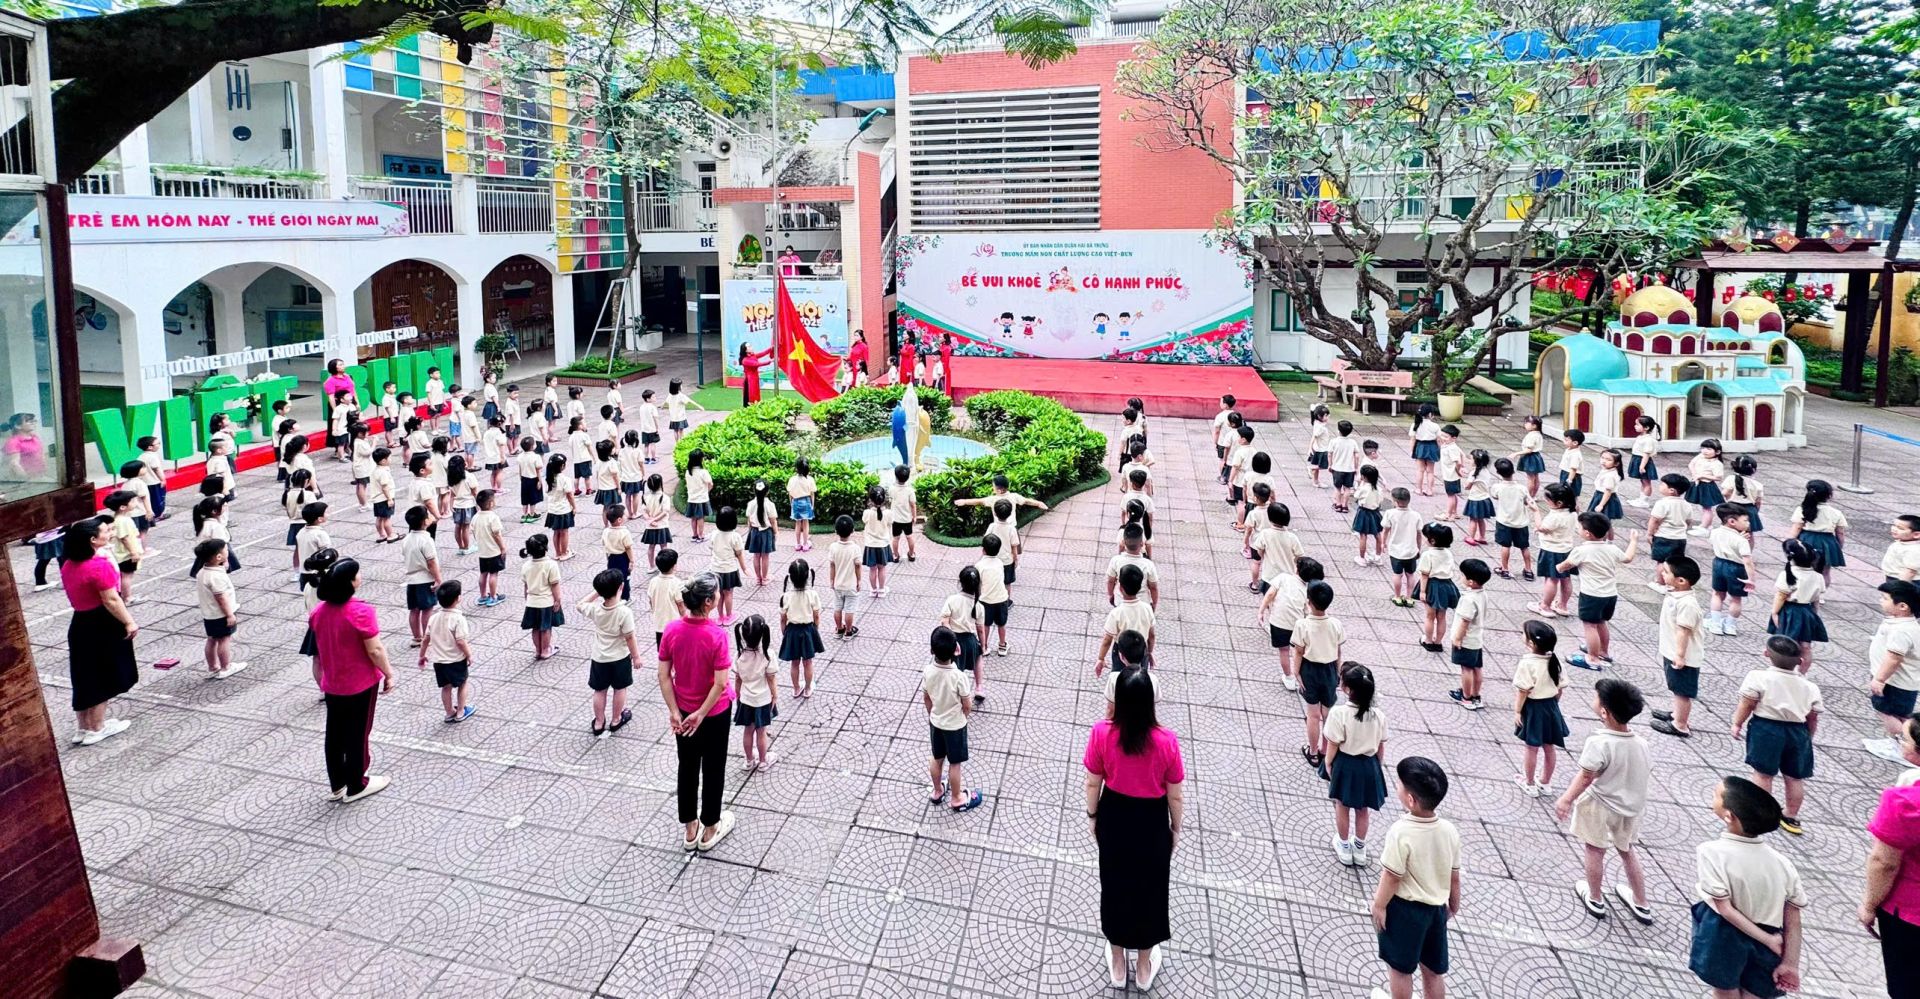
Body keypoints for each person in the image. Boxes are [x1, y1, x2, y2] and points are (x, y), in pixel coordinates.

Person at [1084, 668, 1183, 991]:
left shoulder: (1102, 733)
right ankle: (1142, 968)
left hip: (1114, 816)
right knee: (1151, 891)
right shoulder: (1166, 741)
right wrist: (1175, 827)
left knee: (1114, 885)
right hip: (1151, 821)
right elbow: (1175, 793)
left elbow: (1092, 781)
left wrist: (1092, 815)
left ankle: (1116, 963)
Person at [1688, 777, 1805, 999]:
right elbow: (1793, 917)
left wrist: (1765, 938)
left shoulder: (1711, 852)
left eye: (1716, 795)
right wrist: (1790, 962)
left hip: (1723, 935)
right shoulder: (1782, 863)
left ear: (1729, 816)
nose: (1713, 798)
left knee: (1725, 993)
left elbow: (1725, 909)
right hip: (1771, 939)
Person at [1556, 678, 1654, 923]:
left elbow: (1586, 776)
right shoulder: (1641, 743)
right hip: (1631, 808)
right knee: (1627, 850)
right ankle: (1641, 902)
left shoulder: (1599, 742)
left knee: (1594, 849)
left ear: (1604, 711)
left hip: (1600, 804)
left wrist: (1567, 799)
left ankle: (1596, 897)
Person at [1371, 757, 1461, 999]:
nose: (1397, 787)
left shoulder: (1401, 832)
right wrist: (1453, 903)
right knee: (1432, 970)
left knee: (1400, 969)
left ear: (1410, 800)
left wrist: (1379, 905)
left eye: (1400, 785)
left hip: (1405, 911)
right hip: (1435, 910)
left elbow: (1391, 875)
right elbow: (1454, 876)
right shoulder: (1448, 831)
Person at [657, 574, 735, 851]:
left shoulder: (672, 630)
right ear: (708, 602)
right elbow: (721, 683)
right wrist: (702, 713)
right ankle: (710, 826)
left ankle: (690, 827)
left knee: (687, 766)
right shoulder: (717, 635)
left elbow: (664, 675)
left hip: (683, 710)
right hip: (713, 713)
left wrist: (673, 711)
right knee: (714, 768)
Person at [310, 559, 395, 802]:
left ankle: (337, 784)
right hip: (360, 682)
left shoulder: (319, 612)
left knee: (335, 733)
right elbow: (375, 650)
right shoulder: (361, 612)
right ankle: (357, 784)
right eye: (356, 574)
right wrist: (388, 673)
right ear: (349, 583)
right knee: (358, 732)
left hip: (333, 682)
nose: (360, 577)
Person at [60, 518, 138, 745]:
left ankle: (83, 727)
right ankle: (97, 727)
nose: (109, 532)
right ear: (93, 540)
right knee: (104, 672)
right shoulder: (98, 566)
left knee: (83, 674)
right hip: (102, 621)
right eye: (105, 531)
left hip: (80, 621)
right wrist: (129, 622)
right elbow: (112, 600)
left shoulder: (68, 564)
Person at [1862, 715, 1920, 998]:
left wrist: (1869, 905)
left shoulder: (1904, 802)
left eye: (1904, 739)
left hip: (1909, 913)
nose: (1900, 743)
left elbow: (1884, 862)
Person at [1326, 663, 1388, 867]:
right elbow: (1380, 746)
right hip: (1369, 765)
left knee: (1342, 805)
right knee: (1363, 809)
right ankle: (1360, 847)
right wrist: (1377, 766)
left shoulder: (1339, 713)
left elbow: (1333, 743)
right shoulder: (1379, 715)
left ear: (1347, 689)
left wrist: (1328, 763)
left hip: (1346, 763)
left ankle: (1344, 845)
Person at [1560, 515, 1639, 671]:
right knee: (1602, 622)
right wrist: (1634, 541)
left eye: (1580, 527)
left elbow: (1568, 564)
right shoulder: (1612, 548)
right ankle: (1603, 651)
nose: (1578, 529)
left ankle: (1592, 658)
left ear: (1587, 533)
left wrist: (1559, 567)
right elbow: (1628, 558)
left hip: (1591, 595)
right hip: (1610, 594)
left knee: (1590, 626)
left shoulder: (1581, 550)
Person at [923, 625, 981, 811]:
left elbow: (926, 697)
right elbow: (966, 703)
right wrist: (965, 715)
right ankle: (957, 798)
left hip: (936, 721)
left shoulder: (928, 671)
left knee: (936, 757)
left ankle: (937, 790)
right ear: (957, 649)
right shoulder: (958, 676)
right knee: (955, 762)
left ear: (932, 650)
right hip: (955, 725)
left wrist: (932, 713)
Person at [578, 569, 640, 737]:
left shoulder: (596, 610)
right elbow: (629, 637)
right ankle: (616, 719)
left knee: (599, 690)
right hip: (620, 657)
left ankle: (598, 722)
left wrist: (596, 593)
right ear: (621, 587)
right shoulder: (624, 612)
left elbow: (580, 604)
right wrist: (636, 657)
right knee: (620, 688)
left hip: (599, 657)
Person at [1513, 619, 1570, 797]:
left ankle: (1529, 782)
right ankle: (1545, 782)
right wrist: (1554, 705)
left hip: (1534, 707)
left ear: (1531, 643)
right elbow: (1560, 688)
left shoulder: (1527, 663)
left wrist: (1517, 711)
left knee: (1531, 747)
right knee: (1549, 747)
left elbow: (1523, 690)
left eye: (1524, 633)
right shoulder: (1554, 661)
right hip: (1551, 706)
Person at [1866, 581, 1920, 764]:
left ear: (1903, 606)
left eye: (1885, 598)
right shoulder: (1903, 623)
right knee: (1902, 714)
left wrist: (1879, 679)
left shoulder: (1902, 631)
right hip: (1905, 682)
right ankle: (1904, 744)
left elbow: (1894, 659)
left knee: (1885, 711)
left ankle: (1904, 746)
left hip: (1894, 682)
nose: (1881, 601)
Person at [1293, 581, 1344, 770]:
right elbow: (1338, 651)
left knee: (1313, 714)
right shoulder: (1336, 624)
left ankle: (1312, 752)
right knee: (1327, 713)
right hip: (1329, 669)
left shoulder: (1302, 624)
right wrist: (1338, 671)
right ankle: (1324, 750)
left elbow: (1298, 651)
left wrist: (1296, 671)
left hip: (1310, 670)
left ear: (1308, 602)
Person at [1766, 539, 1828, 673]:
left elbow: (1781, 596)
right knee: (1806, 646)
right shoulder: (1818, 577)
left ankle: (1781, 670)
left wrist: (1775, 613)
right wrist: (1814, 615)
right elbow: (1816, 599)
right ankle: (1802, 673)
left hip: (1789, 611)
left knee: (1785, 643)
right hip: (1807, 611)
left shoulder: (1787, 574)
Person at [732, 614, 779, 769]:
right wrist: (775, 695)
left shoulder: (739, 654)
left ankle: (749, 760)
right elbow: (771, 678)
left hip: (746, 698)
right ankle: (763, 761)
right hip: (763, 699)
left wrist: (737, 694)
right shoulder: (767, 654)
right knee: (761, 731)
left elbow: (738, 679)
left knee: (748, 730)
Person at [426, 581, 475, 724]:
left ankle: (449, 712)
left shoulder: (433, 618)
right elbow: (460, 641)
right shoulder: (458, 619)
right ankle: (461, 711)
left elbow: (426, 638)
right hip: (455, 659)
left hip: (439, 661)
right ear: (458, 598)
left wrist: (422, 654)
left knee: (446, 687)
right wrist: (469, 654)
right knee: (463, 683)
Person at [777, 559, 824, 699]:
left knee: (794, 662)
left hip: (792, 631)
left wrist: (784, 631)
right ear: (807, 575)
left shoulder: (786, 596)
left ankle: (796, 688)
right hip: (808, 629)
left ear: (790, 577)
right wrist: (816, 629)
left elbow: (782, 618)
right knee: (808, 662)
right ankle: (808, 688)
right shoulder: (812, 594)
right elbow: (816, 615)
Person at [1095, 564, 1155, 673]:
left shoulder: (1116, 613)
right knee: (1140, 675)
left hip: (1122, 651)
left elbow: (1107, 640)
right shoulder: (1147, 609)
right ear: (1140, 586)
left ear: (1120, 588)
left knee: (1120, 676)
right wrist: (1149, 652)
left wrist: (1101, 658)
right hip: (1141, 650)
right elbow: (1151, 635)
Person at [1708, 504, 1757, 637]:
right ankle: (1730, 625)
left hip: (1718, 563)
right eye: (1745, 520)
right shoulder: (1741, 541)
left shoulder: (1715, 532)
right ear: (1732, 521)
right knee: (1736, 599)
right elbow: (1747, 560)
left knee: (1717, 594)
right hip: (1737, 568)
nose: (1748, 523)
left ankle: (1715, 623)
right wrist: (1751, 579)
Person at [1448, 559, 1490, 709]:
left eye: (1463, 575)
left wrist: (1457, 638)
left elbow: (1465, 621)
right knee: (1477, 668)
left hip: (1466, 639)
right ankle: (1475, 695)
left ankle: (1465, 697)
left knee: (1466, 669)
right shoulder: (1482, 594)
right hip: (1477, 639)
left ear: (1471, 582)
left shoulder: (1468, 599)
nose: (1461, 577)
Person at [401, 506, 441, 658]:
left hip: (411, 579)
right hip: (425, 579)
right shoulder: (426, 540)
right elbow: (431, 562)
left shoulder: (406, 539)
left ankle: (416, 637)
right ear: (425, 522)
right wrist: (438, 579)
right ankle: (426, 636)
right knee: (427, 609)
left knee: (414, 609)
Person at [519, 533, 565, 661]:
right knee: (545, 627)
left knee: (535, 627)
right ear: (545, 548)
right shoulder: (550, 565)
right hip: (546, 601)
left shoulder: (526, 565)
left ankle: (538, 650)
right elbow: (554, 584)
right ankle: (545, 650)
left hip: (532, 601)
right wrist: (558, 600)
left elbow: (526, 586)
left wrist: (526, 598)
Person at [1415, 522, 1459, 653]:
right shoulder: (1448, 553)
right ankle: (1438, 642)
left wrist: (1422, 591)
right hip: (1446, 585)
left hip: (1432, 585)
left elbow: (1424, 574)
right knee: (1442, 616)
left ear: (1432, 541)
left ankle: (1428, 640)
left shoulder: (1428, 555)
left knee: (1430, 616)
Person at [975, 533, 1013, 665]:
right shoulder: (1000, 563)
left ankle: (984, 647)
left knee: (986, 624)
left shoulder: (979, 565)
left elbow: (978, 584)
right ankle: (1002, 645)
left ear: (983, 549)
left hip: (985, 600)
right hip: (1002, 599)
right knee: (1001, 624)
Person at [828, 515, 861, 639]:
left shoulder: (833, 547)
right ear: (853, 531)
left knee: (837, 608)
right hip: (851, 585)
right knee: (849, 609)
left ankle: (839, 629)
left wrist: (832, 580)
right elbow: (858, 565)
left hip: (838, 584)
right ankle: (848, 631)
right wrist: (859, 580)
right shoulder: (855, 548)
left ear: (836, 531)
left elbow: (832, 565)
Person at [473, 489, 506, 607]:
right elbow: (497, 534)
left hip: (482, 551)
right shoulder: (493, 517)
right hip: (493, 551)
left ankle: (482, 596)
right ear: (491, 503)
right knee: (493, 574)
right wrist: (502, 548)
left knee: (483, 573)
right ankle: (493, 596)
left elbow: (473, 531)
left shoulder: (476, 517)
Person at [887, 464, 918, 562]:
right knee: (909, 537)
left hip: (895, 519)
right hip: (907, 519)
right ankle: (912, 554)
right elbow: (913, 505)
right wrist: (914, 516)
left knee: (895, 538)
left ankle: (895, 556)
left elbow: (889, 498)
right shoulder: (910, 490)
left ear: (896, 477)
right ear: (908, 478)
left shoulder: (892, 489)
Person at [1511, 414, 1547, 495]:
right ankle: (1533, 495)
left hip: (1530, 458)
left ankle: (1529, 496)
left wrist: (1516, 453)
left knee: (1530, 478)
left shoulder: (1532, 436)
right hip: (1536, 457)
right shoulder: (1538, 434)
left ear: (1534, 426)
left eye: (1527, 423)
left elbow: (1529, 450)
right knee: (1536, 477)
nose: (1525, 424)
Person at [787, 459, 817, 552]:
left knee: (797, 523)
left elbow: (790, 494)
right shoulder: (810, 479)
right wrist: (812, 505)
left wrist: (791, 504)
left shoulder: (792, 479)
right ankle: (805, 544)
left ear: (796, 468)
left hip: (796, 502)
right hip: (806, 501)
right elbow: (812, 494)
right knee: (805, 523)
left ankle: (798, 544)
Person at [738, 342, 775, 406]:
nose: (751, 347)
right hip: (750, 380)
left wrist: (771, 348)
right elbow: (757, 364)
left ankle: (756, 407)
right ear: (745, 350)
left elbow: (763, 353)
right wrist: (770, 361)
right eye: (749, 346)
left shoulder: (752, 356)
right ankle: (750, 408)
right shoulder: (745, 360)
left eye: (750, 346)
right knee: (752, 395)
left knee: (756, 394)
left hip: (755, 378)